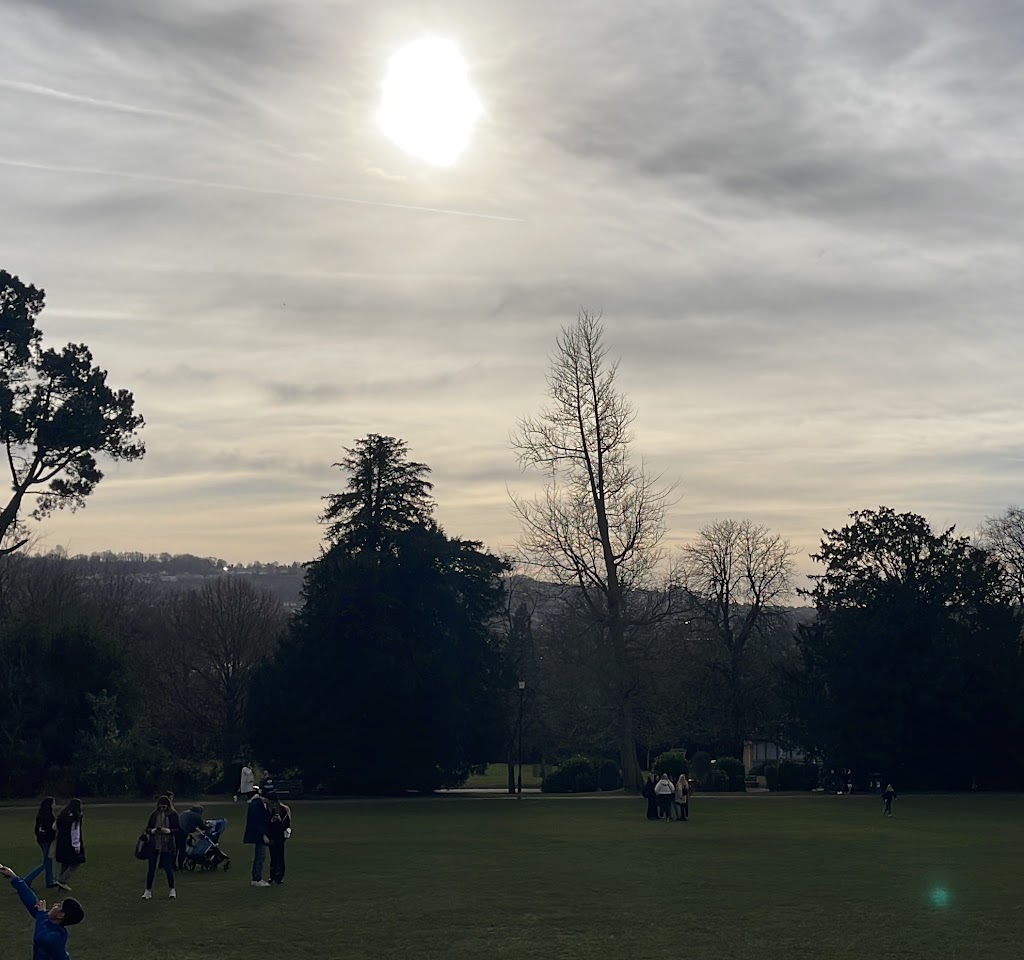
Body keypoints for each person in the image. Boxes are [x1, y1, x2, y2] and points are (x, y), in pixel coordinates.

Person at [1, 861, 84, 959]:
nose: (55, 905)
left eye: (59, 906)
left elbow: (41, 938)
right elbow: (31, 901)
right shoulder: (47, 920)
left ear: (60, 915)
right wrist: (14, 877)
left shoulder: (56, 936)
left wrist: (41, 913)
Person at [142, 795, 179, 900]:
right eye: (160, 807)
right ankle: (148, 890)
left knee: (168, 868)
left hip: (167, 844)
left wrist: (169, 831)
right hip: (154, 843)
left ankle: (172, 889)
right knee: (151, 868)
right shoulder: (154, 814)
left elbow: (178, 829)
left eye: (164, 807)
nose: (162, 809)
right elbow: (147, 828)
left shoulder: (173, 815)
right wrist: (152, 831)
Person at [25, 797, 58, 890]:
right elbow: (51, 830)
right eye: (53, 803)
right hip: (47, 841)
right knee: (46, 863)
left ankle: (49, 881)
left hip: (41, 840)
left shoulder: (40, 815)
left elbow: (36, 830)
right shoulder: (49, 817)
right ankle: (27, 880)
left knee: (48, 861)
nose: (54, 805)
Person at [53, 799, 85, 892]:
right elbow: (75, 832)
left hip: (61, 842)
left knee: (65, 862)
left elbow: (54, 827)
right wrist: (76, 846)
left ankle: (61, 881)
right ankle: (62, 880)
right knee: (76, 862)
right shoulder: (76, 816)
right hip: (70, 843)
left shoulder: (62, 815)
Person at [243, 788, 271, 887]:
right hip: (258, 834)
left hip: (259, 833)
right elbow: (256, 821)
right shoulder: (256, 805)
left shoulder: (257, 803)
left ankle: (257, 877)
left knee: (260, 856)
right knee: (260, 856)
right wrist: (263, 834)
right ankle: (256, 878)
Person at [265, 792, 292, 884]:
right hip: (271, 835)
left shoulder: (283, 809)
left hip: (280, 835)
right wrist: (271, 821)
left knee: (280, 856)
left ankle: (279, 876)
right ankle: (272, 875)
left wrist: (280, 821)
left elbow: (287, 824)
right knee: (273, 856)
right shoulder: (267, 809)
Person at [176, 804, 207, 869]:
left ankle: (172, 864)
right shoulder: (196, 815)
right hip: (183, 832)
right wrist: (208, 826)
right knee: (182, 849)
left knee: (176, 848)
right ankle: (180, 865)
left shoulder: (184, 812)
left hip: (177, 830)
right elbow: (202, 826)